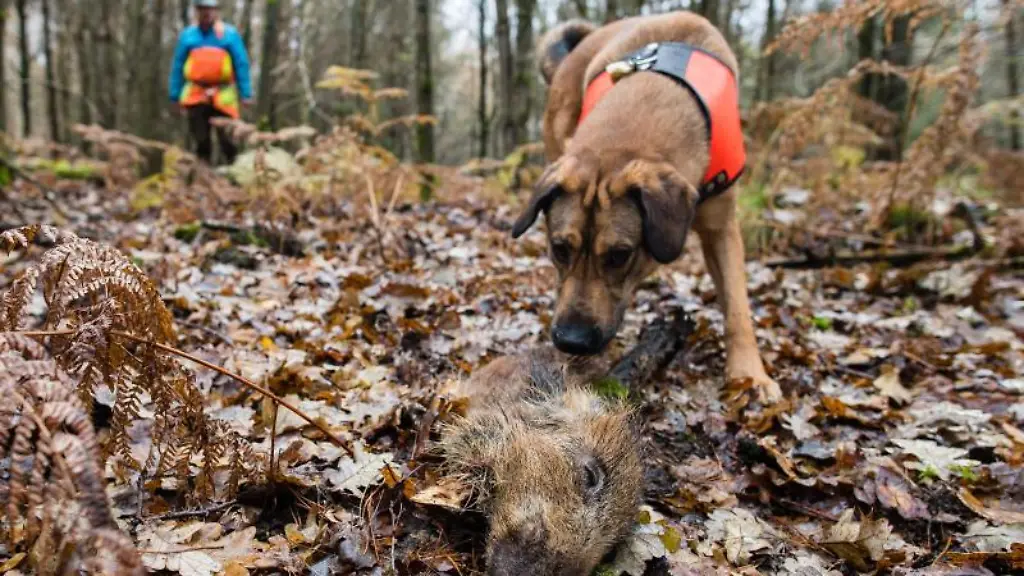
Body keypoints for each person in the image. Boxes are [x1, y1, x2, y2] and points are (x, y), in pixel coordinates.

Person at [169, 0, 252, 165]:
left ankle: (233, 173)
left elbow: (241, 64)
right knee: (201, 140)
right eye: (202, 9)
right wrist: (174, 95)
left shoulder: (229, 35)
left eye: (210, 9)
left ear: (216, 11)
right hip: (196, 94)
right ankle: (203, 174)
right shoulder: (188, 36)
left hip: (223, 94)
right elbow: (178, 66)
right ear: (197, 11)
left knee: (228, 140)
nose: (206, 13)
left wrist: (246, 93)